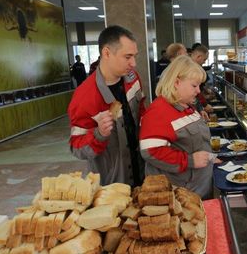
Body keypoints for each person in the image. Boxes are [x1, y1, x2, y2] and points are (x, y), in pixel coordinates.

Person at [68, 25, 146, 186]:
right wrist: (99, 134)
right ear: (106, 53)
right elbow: (77, 149)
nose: (134, 63)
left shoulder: (133, 78)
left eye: (134, 56)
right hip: (112, 184)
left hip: (143, 171)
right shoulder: (84, 96)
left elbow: (142, 111)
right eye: (127, 57)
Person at [139, 55, 220, 198]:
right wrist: (189, 161)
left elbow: (194, 143)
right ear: (176, 82)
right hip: (180, 195)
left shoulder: (185, 106)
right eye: (194, 86)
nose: (198, 91)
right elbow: (150, 152)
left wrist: (211, 158)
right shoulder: (158, 112)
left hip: (198, 188)